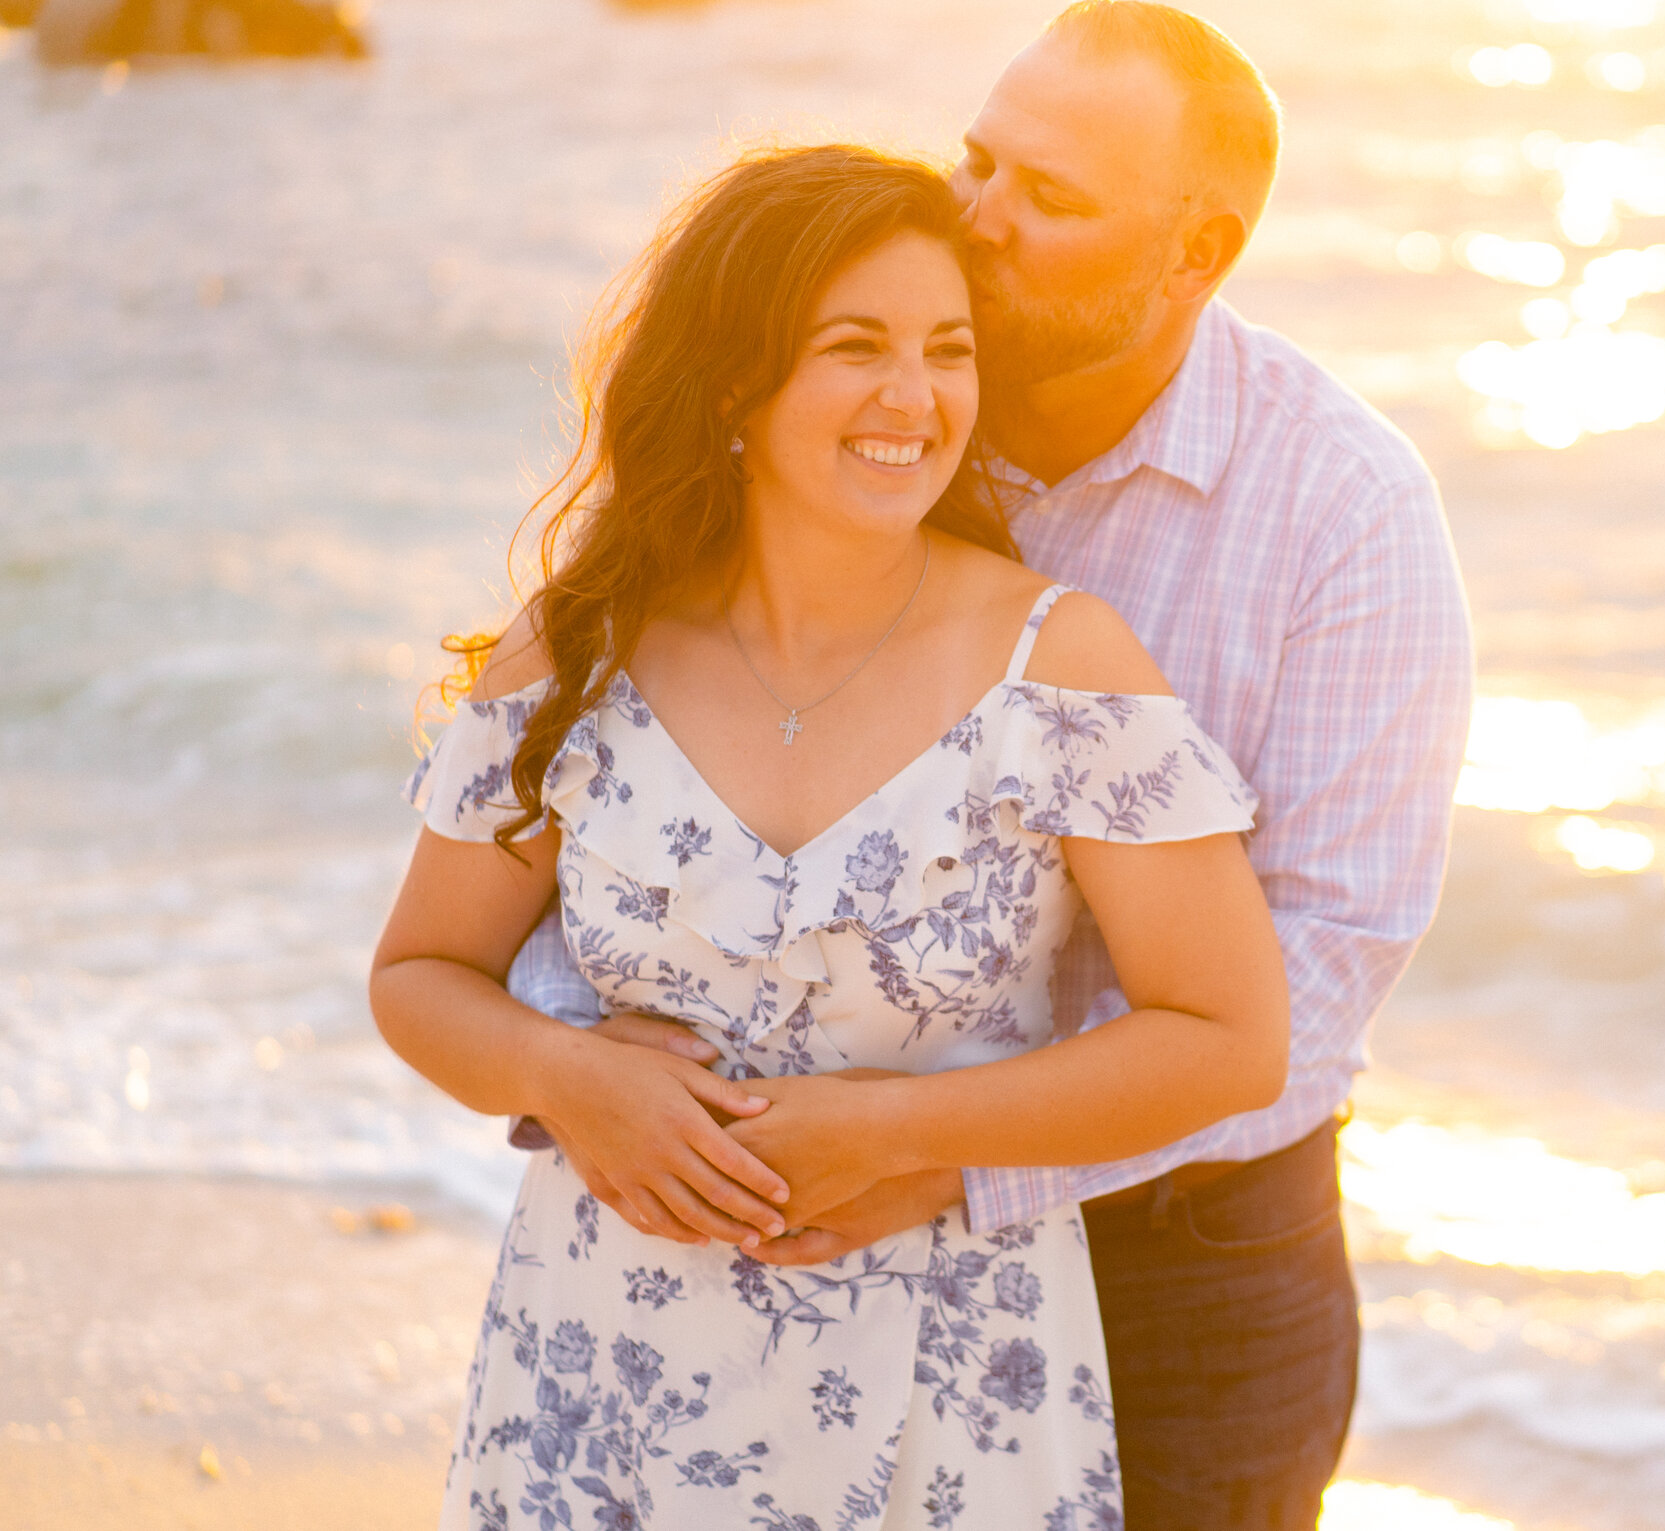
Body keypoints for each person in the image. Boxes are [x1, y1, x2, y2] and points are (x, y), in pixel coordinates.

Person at [510, 0, 1476, 1529]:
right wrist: (587, 1068)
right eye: (978, 161)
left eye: (1053, 198)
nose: (979, 219)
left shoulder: (1344, 508)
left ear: (1196, 255)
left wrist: (956, 1162)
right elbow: (630, 778)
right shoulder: (848, 416)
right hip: (769, 1242)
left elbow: (1320, 969)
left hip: (1183, 1270)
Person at [370, 142, 1292, 1529]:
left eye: (949, 350)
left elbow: (1231, 1036)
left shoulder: (1063, 664)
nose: (913, 400)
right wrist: (566, 1077)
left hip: (947, 1383)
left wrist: (912, 1135)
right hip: (602, 1367)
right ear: (737, 381)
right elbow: (416, 978)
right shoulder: (579, 650)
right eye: (855, 347)